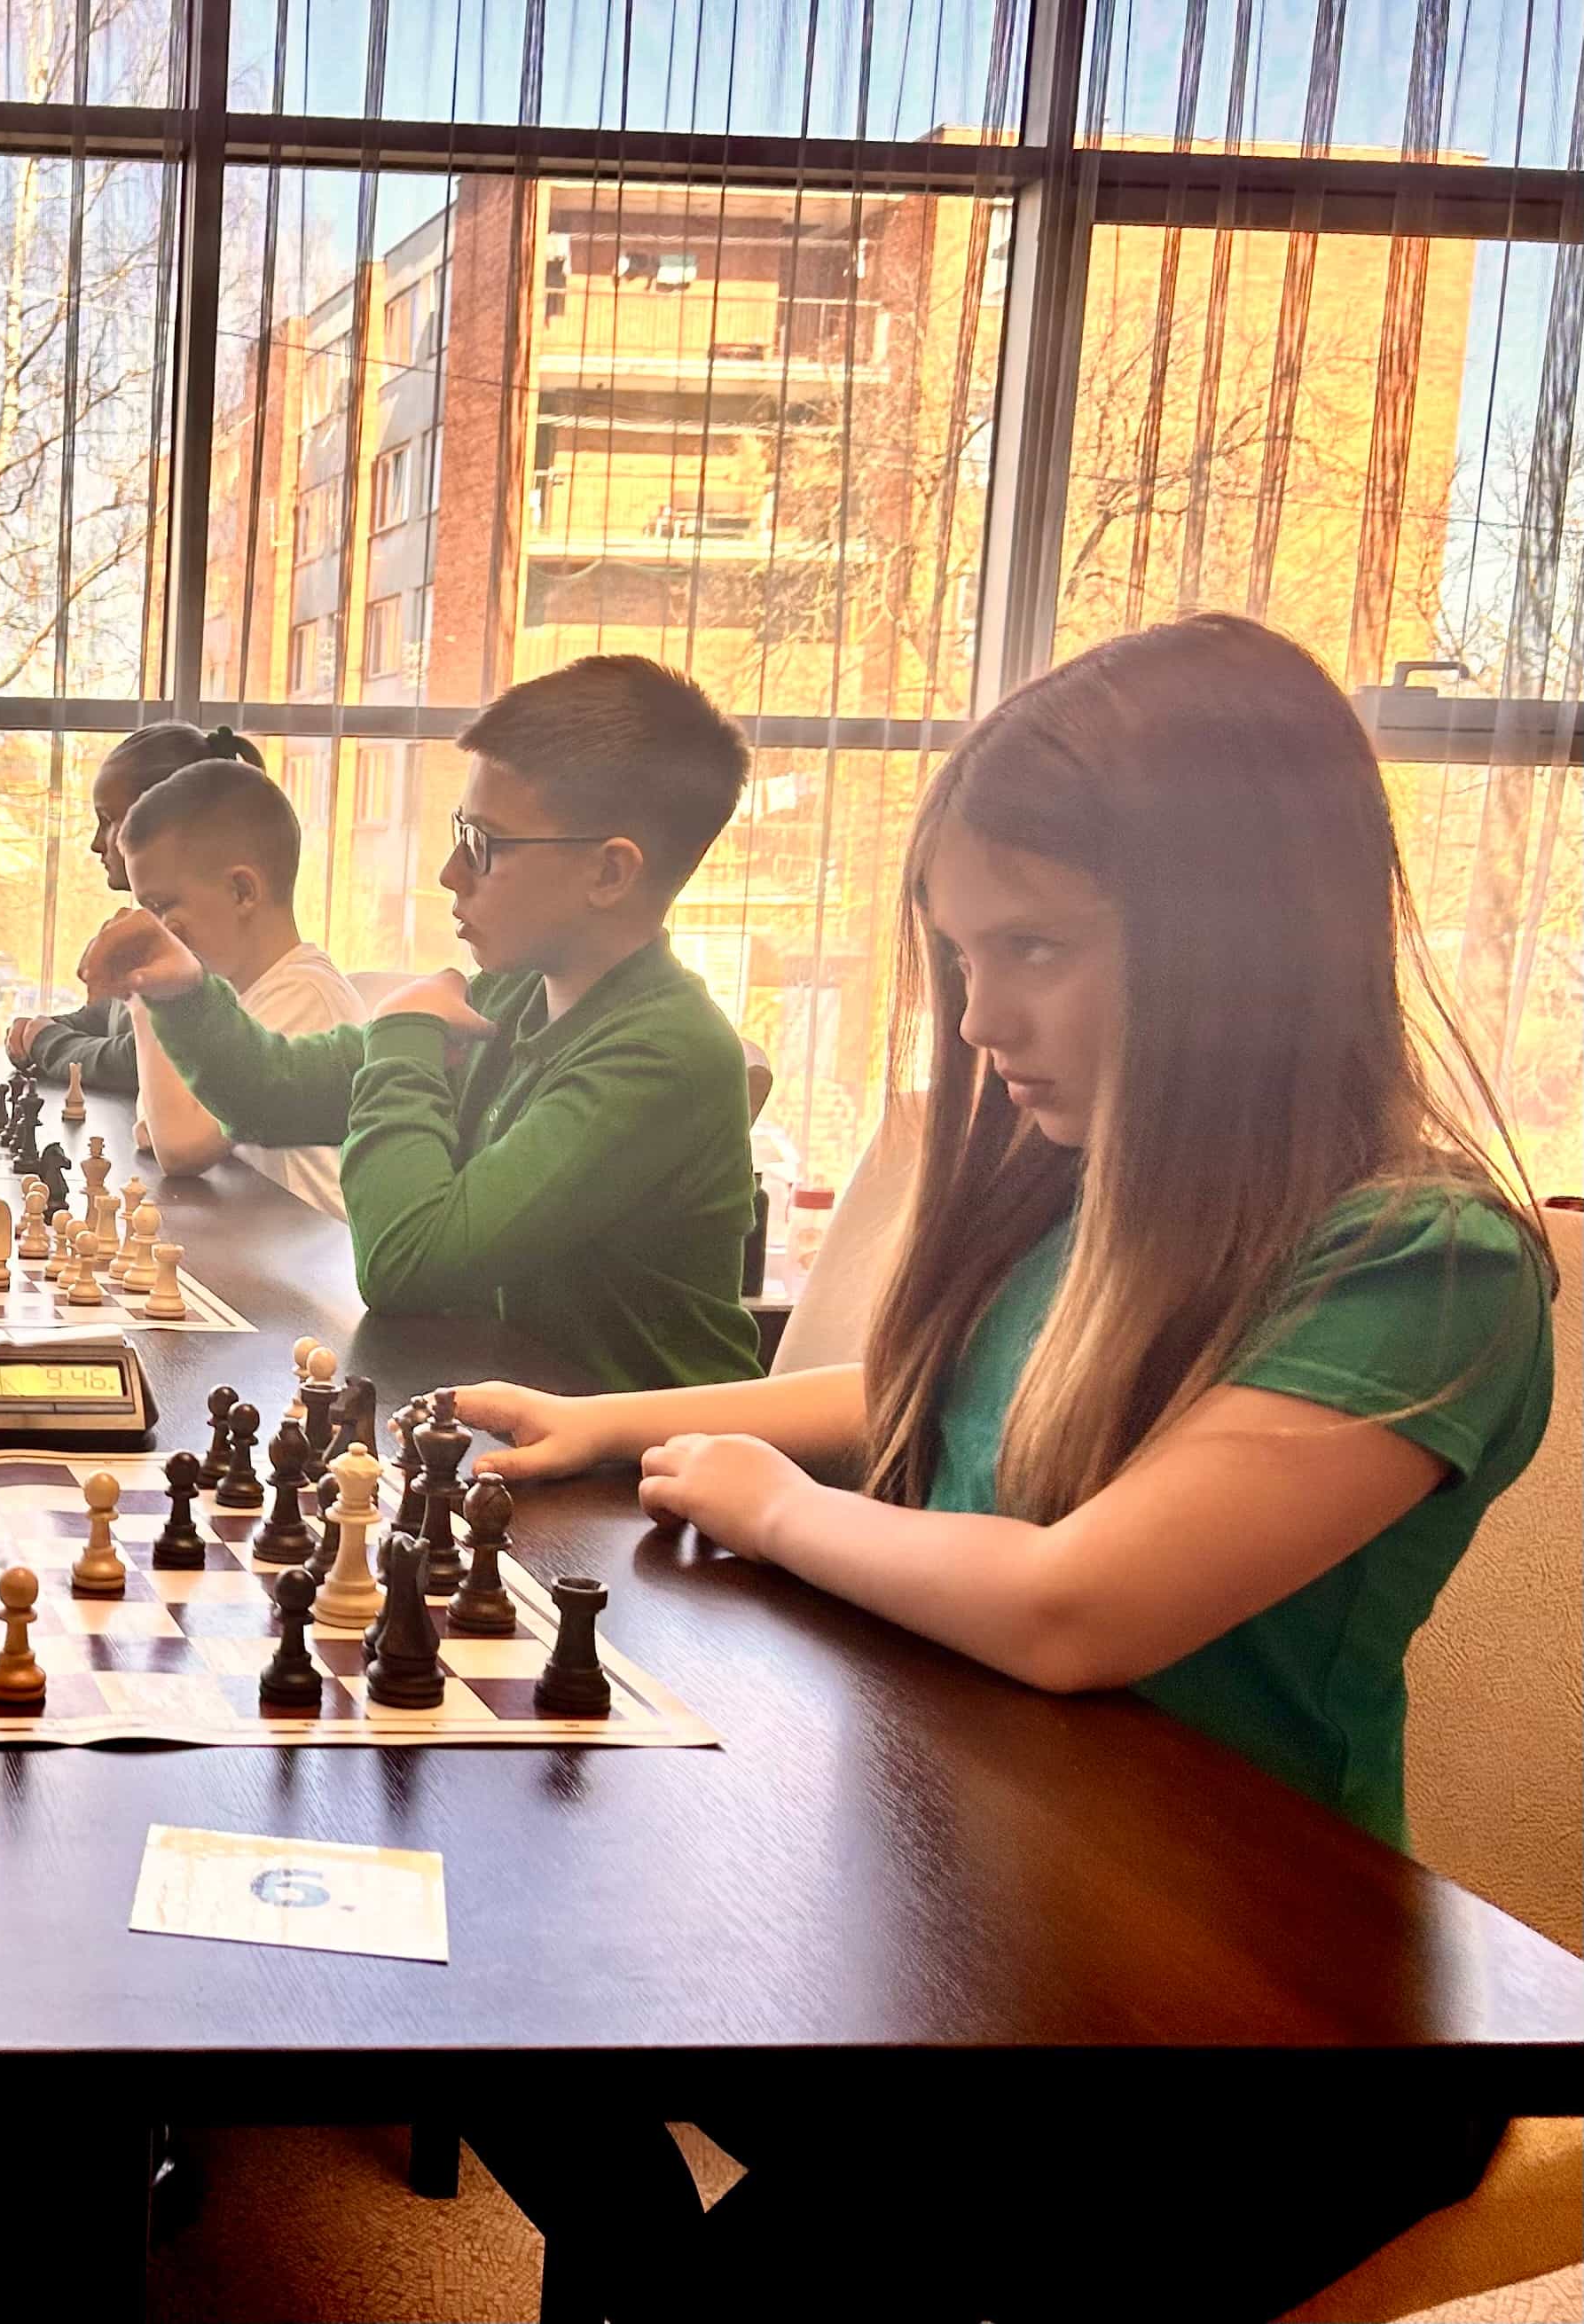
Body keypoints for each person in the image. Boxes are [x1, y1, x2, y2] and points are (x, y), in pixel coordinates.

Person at [451, 614, 1555, 2319]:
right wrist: (615, 1423)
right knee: (504, 1960)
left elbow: (1071, 1609)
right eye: (962, 957)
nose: (977, 1019)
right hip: (990, 1899)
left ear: (1241, 934)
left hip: (1257, 2032)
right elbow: (930, 1388)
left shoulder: (1416, 1261)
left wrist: (780, 1511)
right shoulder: (1078, 1187)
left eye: (1029, 946)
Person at [79, 656, 759, 1391]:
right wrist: (183, 988)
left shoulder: (663, 1051)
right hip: (499, 1399)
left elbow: (408, 1265)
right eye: (458, 831)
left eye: (483, 844)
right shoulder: (511, 995)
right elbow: (267, 1093)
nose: (448, 872)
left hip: (639, 1449)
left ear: (608, 873)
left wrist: (403, 1037)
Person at [108, 755, 365, 1215]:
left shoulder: (304, 995)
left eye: (162, 907)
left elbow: (178, 1147)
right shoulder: (232, 1003)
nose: (155, 930)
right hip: (260, 1240)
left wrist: (144, 988)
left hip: (319, 1253)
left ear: (242, 892)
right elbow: (154, 1125)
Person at [6, 722, 260, 1097]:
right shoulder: (158, 927)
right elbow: (114, 1016)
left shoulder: (202, 938)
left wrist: (47, 1043)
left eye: (109, 821)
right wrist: (40, 1028)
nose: (96, 843)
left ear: (161, 826)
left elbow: (138, 1060)